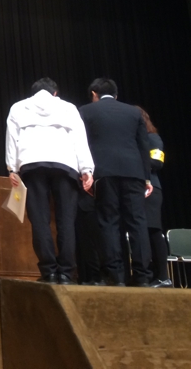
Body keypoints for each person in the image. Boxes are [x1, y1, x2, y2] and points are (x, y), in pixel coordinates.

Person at [6, 77, 94, 284]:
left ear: (33, 92)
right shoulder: (68, 108)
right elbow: (80, 139)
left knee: (40, 221)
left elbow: (11, 139)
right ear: (55, 93)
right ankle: (66, 273)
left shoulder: (18, 107)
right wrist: (87, 169)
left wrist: (12, 168)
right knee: (66, 221)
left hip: (31, 164)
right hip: (65, 165)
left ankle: (49, 272)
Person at [79, 78, 153, 287]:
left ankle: (116, 276)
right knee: (137, 223)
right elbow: (143, 146)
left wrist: (85, 173)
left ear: (94, 93)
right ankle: (143, 276)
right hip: (134, 172)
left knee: (109, 222)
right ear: (116, 94)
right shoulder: (133, 112)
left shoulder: (85, 111)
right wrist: (146, 177)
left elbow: (80, 144)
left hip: (104, 172)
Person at [134, 106, 172, 288]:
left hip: (151, 189)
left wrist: (133, 160)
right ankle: (147, 275)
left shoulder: (152, 138)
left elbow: (157, 161)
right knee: (141, 232)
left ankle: (163, 276)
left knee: (153, 230)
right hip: (136, 189)